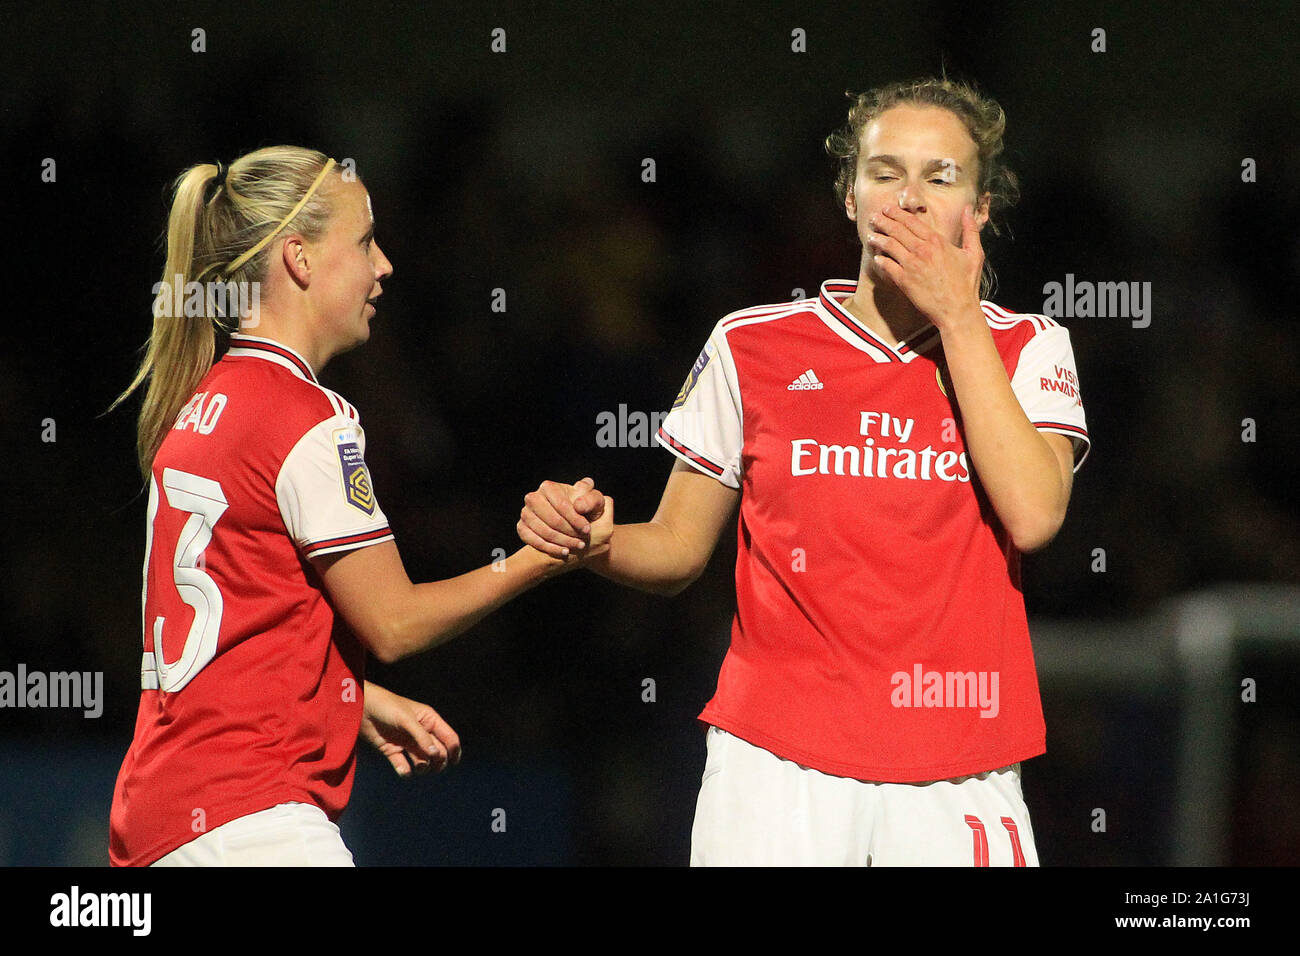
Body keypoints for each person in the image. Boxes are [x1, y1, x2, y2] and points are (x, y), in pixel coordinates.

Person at [517, 77, 1090, 866]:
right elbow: (681, 547)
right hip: (774, 765)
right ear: (849, 197)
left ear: (981, 208)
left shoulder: (1031, 346)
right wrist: (599, 542)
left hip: (961, 759)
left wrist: (958, 315)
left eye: (941, 177)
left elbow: (1034, 514)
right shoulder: (751, 347)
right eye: (885, 173)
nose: (911, 199)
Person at [108, 146, 572, 866]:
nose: (383, 265)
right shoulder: (308, 418)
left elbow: (238, 618)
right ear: (297, 257)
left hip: (160, 821)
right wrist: (546, 557)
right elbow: (395, 622)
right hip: (255, 822)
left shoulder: (199, 406)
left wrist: (354, 702)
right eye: (363, 241)